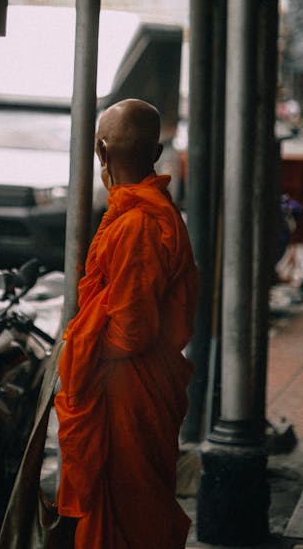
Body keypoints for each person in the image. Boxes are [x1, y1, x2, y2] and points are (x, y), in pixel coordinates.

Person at [55, 98, 197, 549]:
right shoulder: (145, 214)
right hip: (137, 388)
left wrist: (85, 345)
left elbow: (129, 331)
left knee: (128, 520)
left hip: (126, 391)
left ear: (101, 152)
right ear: (155, 155)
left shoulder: (137, 223)